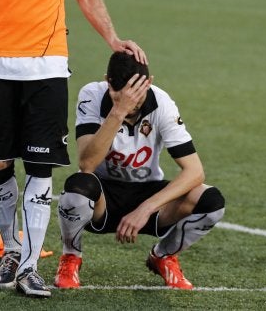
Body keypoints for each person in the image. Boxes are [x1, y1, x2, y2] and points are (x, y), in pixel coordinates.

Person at [0, 0, 147, 298]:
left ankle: (29, 267)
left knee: (42, 166)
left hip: (48, 67)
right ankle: (11, 249)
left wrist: (113, 38)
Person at [55, 52, 225, 290]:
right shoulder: (92, 95)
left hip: (148, 196)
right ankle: (71, 257)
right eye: (123, 96)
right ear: (107, 81)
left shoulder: (162, 103)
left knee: (211, 201)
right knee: (77, 187)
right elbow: (87, 164)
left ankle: (164, 255)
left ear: (149, 82)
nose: (132, 105)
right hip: (103, 195)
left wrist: (145, 209)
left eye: (137, 96)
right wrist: (118, 112)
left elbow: (195, 171)